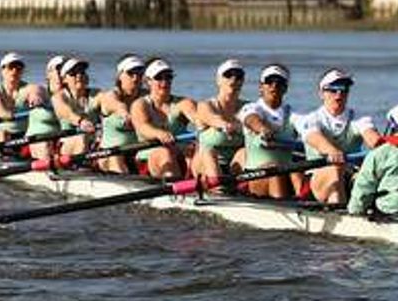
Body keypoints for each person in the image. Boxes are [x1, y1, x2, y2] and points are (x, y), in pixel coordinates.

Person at [297, 67, 380, 206]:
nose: (339, 94)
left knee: (370, 175)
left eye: (344, 89)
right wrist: (332, 151)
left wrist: (386, 148)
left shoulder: (359, 119)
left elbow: (372, 138)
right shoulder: (311, 119)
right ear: (321, 93)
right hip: (317, 182)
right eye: (333, 89)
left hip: (348, 174)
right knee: (335, 168)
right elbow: (315, 138)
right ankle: (340, 213)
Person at [239, 63, 303, 199]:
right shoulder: (251, 108)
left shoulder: (293, 113)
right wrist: (263, 129)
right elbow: (251, 120)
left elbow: (309, 128)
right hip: (255, 176)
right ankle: (284, 206)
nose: (274, 86)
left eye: (279, 83)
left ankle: (305, 201)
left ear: (285, 88)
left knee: (298, 168)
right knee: (275, 168)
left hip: (286, 173)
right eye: (269, 82)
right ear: (261, 87)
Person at [187, 58, 247, 186]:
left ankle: (244, 190)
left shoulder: (249, 108)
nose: (233, 80)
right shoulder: (205, 105)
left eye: (238, 76)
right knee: (209, 153)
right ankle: (218, 190)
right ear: (218, 80)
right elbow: (212, 118)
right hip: (205, 163)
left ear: (242, 81)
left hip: (235, 164)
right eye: (228, 75)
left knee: (245, 152)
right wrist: (225, 125)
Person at [128, 58, 189, 179]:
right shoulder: (140, 104)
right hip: (150, 158)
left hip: (180, 156)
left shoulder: (183, 103)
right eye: (159, 78)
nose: (164, 81)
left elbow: (198, 116)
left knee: (202, 151)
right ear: (148, 81)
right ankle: (175, 188)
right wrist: (159, 134)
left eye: (168, 77)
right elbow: (142, 127)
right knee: (164, 153)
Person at [91, 54, 148, 173]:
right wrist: (126, 114)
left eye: (139, 73)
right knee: (116, 158)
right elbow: (118, 106)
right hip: (109, 154)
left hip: (138, 153)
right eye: (131, 73)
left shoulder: (147, 96)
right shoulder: (110, 96)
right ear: (120, 76)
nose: (135, 77)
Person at [51, 57, 101, 161]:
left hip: (93, 146)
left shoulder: (97, 94)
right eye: (73, 73)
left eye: (82, 72)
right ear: (64, 79)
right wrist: (81, 121)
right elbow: (67, 113)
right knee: (82, 137)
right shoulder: (59, 97)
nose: (79, 76)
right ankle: (81, 168)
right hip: (67, 146)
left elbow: (110, 101)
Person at [0, 52, 30, 146]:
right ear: (2, 70)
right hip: (2, 135)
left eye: (19, 67)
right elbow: (3, 114)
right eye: (11, 67)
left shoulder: (30, 89)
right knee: (3, 134)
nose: (14, 70)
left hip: (25, 135)